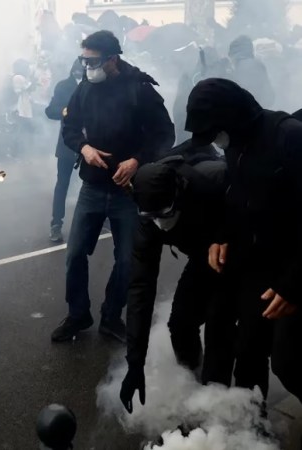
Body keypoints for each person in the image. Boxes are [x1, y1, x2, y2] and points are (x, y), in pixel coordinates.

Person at [52, 30, 175, 343]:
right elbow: (69, 127)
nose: (87, 67)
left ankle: (111, 317)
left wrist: (136, 160)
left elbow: (165, 134)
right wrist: (84, 148)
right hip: (92, 188)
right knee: (74, 254)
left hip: (128, 192)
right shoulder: (84, 87)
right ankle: (78, 315)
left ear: (112, 59)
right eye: (83, 60)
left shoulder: (140, 89)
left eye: (92, 61)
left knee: (127, 261)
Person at [185, 78, 301, 402]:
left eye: (216, 132)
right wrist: (220, 236)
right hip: (254, 262)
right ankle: (241, 418)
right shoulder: (235, 140)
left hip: (290, 265)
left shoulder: (289, 137)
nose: (216, 141)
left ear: (234, 116)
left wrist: (293, 284)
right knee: (240, 339)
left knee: (287, 362)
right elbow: (236, 195)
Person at [119, 142, 230, 413]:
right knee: (181, 323)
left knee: (219, 325)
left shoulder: (212, 179)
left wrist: (223, 236)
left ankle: (219, 408)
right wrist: (135, 364)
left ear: (178, 193)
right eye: (152, 217)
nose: (160, 222)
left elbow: (252, 202)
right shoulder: (148, 219)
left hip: (237, 247)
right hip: (202, 256)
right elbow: (141, 287)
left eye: (165, 213)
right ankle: (194, 392)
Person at [44, 58, 84, 243]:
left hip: (90, 143)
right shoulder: (63, 86)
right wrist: (65, 111)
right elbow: (50, 110)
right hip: (68, 143)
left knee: (93, 182)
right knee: (62, 184)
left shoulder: (95, 85)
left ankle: (99, 218)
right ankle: (56, 223)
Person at [228, 35, 274, 108]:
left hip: (249, 109)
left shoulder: (243, 66)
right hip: (261, 108)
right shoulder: (257, 64)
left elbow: (246, 93)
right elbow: (269, 94)